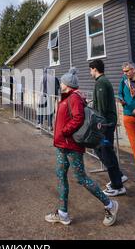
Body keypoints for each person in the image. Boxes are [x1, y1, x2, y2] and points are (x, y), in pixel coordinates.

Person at [45, 68, 119, 226]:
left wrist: (64, 131)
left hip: (71, 145)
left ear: (68, 84)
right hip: (62, 145)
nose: (61, 84)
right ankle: (63, 213)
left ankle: (110, 205)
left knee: (81, 178)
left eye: (63, 82)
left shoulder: (74, 97)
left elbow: (78, 118)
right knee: (60, 174)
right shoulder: (68, 96)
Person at [89, 59, 128, 196]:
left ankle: (118, 185)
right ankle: (118, 176)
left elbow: (102, 108)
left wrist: (97, 124)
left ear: (95, 69)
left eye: (90, 69)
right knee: (102, 150)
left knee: (105, 152)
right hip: (106, 123)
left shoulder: (101, 83)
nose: (90, 72)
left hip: (104, 125)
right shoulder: (103, 82)